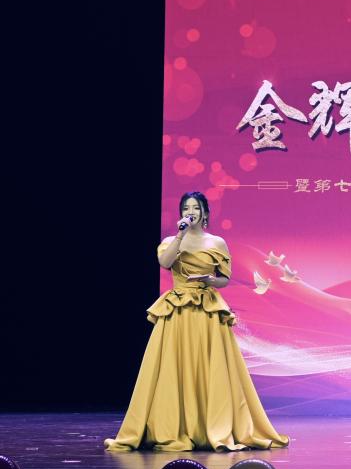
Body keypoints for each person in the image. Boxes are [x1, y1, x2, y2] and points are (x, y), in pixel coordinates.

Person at [105, 192, 289, 451]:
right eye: (186, 208)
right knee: (173, 367)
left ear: (205, 213)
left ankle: (211, 425)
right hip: (178, 310)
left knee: (210, 367)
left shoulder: (217, 242)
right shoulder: (171, 241)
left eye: (196, 208)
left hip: (207, 310)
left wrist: (210, 280)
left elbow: (224, 279)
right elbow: (165, 262)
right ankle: (174, 427)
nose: (191, 212)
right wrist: (180, 236)